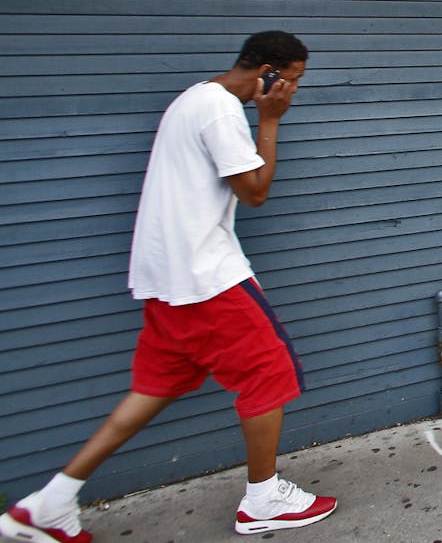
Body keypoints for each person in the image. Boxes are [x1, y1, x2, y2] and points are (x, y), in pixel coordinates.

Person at [1, 31, 336, 543]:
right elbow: (254, 192)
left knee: (154, 389)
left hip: (166, 281)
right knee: (270, 370)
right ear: (269, 71)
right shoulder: (223, 108)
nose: (294, 89)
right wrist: (270, 122)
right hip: (205, 278)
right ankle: (263, 499)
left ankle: (48, 503)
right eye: (293, 79)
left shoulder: (193, 97)